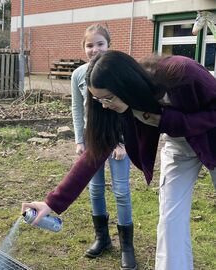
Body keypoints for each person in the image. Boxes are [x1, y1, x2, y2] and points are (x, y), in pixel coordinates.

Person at [22, 50, 216, 270]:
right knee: (170, 222)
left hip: (213, 137)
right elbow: (94, 154)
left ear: (126, 85)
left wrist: (168, 120)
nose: (104, 105)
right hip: (179, 146)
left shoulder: (181, 72)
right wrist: (51, 203)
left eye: (108, 98)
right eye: (98, 99)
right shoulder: (114, 106)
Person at [70, 24, 136, 269]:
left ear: (109, 45)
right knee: (95, 190)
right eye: (89, 45)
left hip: (117, 141)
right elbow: (77, 109)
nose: (94, 49)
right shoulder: (77, 75)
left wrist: (122, 143)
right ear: (83, 48)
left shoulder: (115, 73)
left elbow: (124, 110)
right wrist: (79, 140)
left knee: (120, 191)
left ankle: (127, 247)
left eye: (100, 44)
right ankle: (103, 238)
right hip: (92, 141)